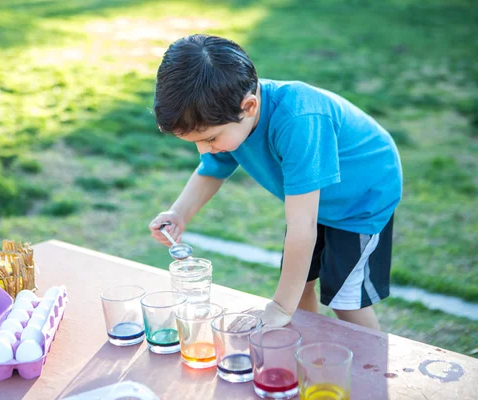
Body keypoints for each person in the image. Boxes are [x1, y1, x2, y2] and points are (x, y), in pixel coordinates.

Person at [148, 34, 402, 330]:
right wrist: (179, 213)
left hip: (360, 199)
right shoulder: (230, 113)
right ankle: (306, 345)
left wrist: (280, 307)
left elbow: (301, 226)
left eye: (209, 139)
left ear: (250, 106)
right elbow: (211, 170)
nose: (204, 149)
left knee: (345, 299)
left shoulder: (299, 120)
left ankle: (371, 368)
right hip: (313, 199)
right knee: (301, 281)